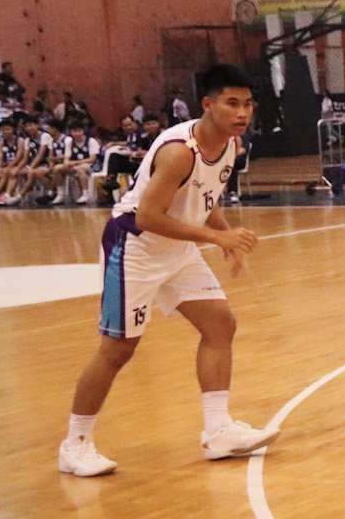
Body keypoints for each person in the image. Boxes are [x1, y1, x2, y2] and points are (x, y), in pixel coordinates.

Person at [57, 64, 279, 478]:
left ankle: (218, 431)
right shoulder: (179, 151)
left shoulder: (229, 145)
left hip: (176, 247)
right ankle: (74, 444)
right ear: (208, 105)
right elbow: (148, 216)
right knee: (118, 350)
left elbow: (206, 197)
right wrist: (216, 238)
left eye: (248, 104)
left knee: (220, 325)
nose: (242, 113)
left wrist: (226, 238)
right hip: (134, 245)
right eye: (232, 103)